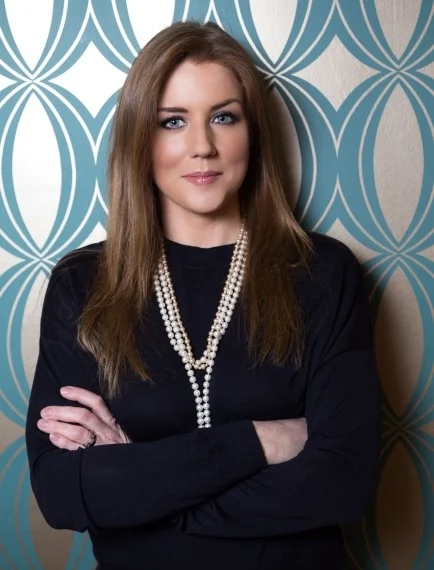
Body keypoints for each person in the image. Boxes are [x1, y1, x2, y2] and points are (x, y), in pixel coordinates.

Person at [25, 21, 380, 570]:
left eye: (223, 117)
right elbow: (62, 494)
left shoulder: (324, 273)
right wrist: (262, 441)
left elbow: (342, 483)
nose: (202, 147)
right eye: (173, 121)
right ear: (141, 139)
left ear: (252, 132)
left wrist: (138, 482)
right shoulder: (83, 283)